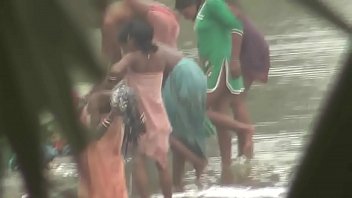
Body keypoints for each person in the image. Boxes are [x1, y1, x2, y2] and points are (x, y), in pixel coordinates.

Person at [175, 0, 257, 184]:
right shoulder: (203, 12)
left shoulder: (212, 4)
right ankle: (227, 167)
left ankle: (246, 136)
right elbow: (207, 42)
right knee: (222, 115)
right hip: (212, 66)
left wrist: (235, 59)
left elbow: (237, 27)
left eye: (183, 10)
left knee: (198, 108)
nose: (183, 15)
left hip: (223, 64)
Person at [104, 19, 173, 198]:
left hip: (139, 118)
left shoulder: (133, 57)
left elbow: (114, 70)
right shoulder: (161, 56)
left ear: (132, 40)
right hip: (159, 117)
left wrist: (112, 82)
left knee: (138, 161)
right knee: (163, 164)